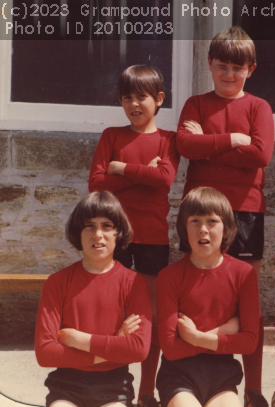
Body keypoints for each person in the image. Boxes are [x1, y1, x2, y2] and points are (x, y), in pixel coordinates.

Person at [176, 26, 274, 407]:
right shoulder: (196, 104)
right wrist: (234, 139)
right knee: (198, 293)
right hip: (199, 209)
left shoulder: (259, 107)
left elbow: (262, 155)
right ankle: (195, 373)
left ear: (251, 68)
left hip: (245, 209)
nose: (229, 74)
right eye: (222, 67)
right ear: (209, 64)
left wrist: (208, 147)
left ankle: (252, 389)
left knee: (246, 301)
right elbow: (185, 144)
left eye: (237, 67)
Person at [89, 65, 179, 407]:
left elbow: (165, 179)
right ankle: (115, 385)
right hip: (115, 238)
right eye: (127, 98)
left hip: (152, 238)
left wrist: (121, 168)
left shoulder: (168, 140)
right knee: (115, 313)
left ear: (158, 99)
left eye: (141, 97)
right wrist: (144, 173)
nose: (134, 105)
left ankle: (145, 391)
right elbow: (96, 185)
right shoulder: (112, 135)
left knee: (149, 316)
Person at [35, 191, 152, 407]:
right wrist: (115, 345)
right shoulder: (57, 282)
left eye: (106, 225)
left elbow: (139, 349)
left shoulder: (134, 283)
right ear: (78, 232)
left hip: (115, 387)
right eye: (89, 225)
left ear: (118, 233)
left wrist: (79, 339)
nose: (98, 234)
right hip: (66, 387)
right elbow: (45, 353)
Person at [156, 187, 260, 407]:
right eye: (195, 221)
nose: (203, 229)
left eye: (212, 221)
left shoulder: (244, 274)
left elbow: (250, 342)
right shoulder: (169, 276)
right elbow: (171, 348)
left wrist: (195, 337)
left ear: (226, 229)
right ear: (184, 228)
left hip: (222, 377)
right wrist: (222, 333)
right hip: (178, 376)